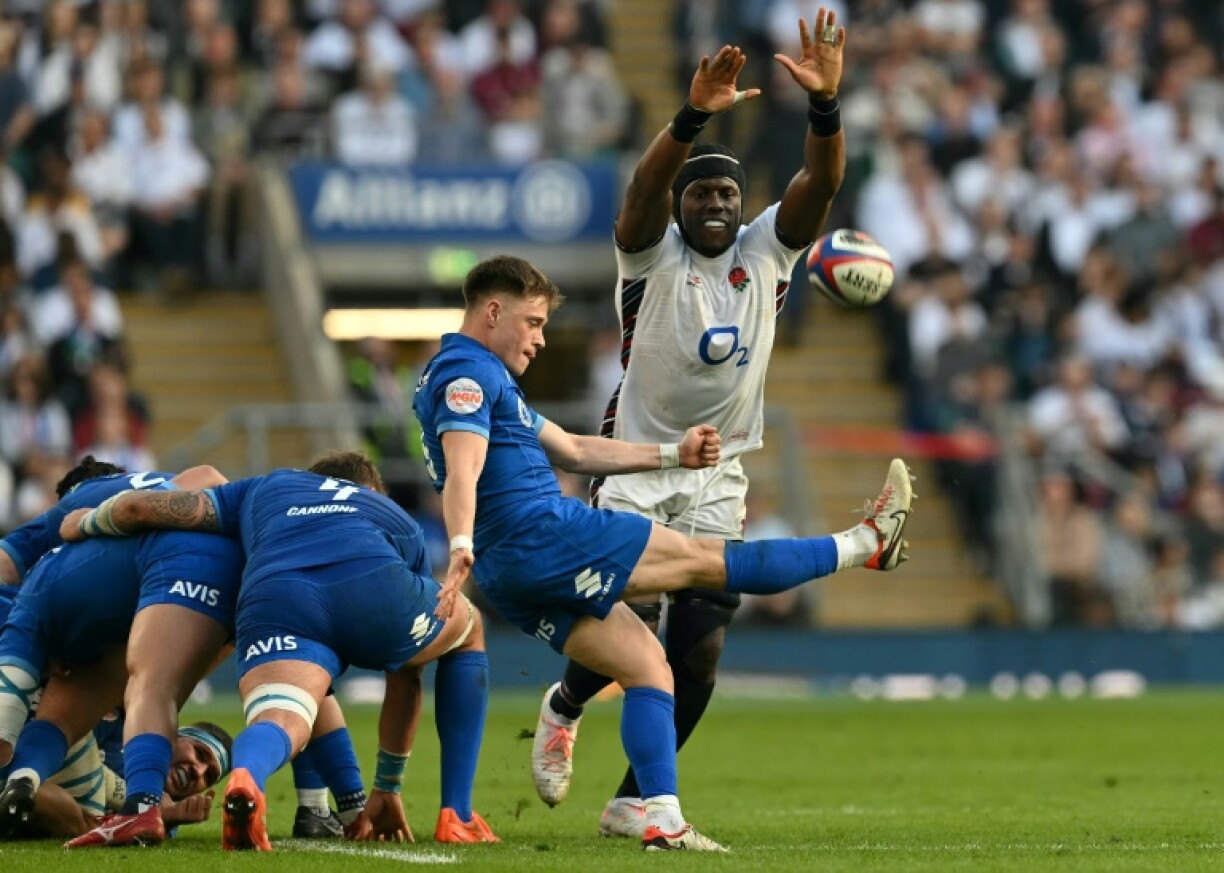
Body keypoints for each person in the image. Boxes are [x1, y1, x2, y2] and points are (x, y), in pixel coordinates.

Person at [406, 254, 910, 850]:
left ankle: (658, 817)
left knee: (648, 666)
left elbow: (571, 449)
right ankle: (866, 544)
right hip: (543, 535)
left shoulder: (475, 373)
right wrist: (457, 543)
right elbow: (463, 467)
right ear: (493, 311)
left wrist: (673, 455)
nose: (540, 339)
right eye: (533, 322)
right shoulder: (467, 376)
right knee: (707, 562)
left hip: (512, 566)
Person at [532, 8, 851, 837]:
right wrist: (692, 117)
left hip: (721, 470)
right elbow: (640, 190)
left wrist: (825, 110)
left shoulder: (768, 251)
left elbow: (821, 186)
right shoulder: (648, 254)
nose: (716, 202)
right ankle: (566, 702)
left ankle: (639, 794)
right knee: (624, 612)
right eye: (702, 192)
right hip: (638, 461)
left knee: (701, 644)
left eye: (728, 193)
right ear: (680, 205)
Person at [58, 451, 497, 850]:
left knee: (282, 718)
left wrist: (85, 522)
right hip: (372, 582)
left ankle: (248, 779)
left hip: (278, 595)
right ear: (369, 491)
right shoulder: (391, 513)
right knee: (469, 630)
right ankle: (456, 814)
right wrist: (388, 787)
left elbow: (144, 507)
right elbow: (406, 673)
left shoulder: (268, 486)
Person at [0, 455, 353, 840]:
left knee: (138, 694)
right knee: (292, 673)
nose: (197, 774)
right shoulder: (90, 506)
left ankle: (137, 805)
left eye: (207, 774)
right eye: (202, 758)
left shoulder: (67, 544)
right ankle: (322, 805)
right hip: (228, 566)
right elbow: (206, 476)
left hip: (168, 578)